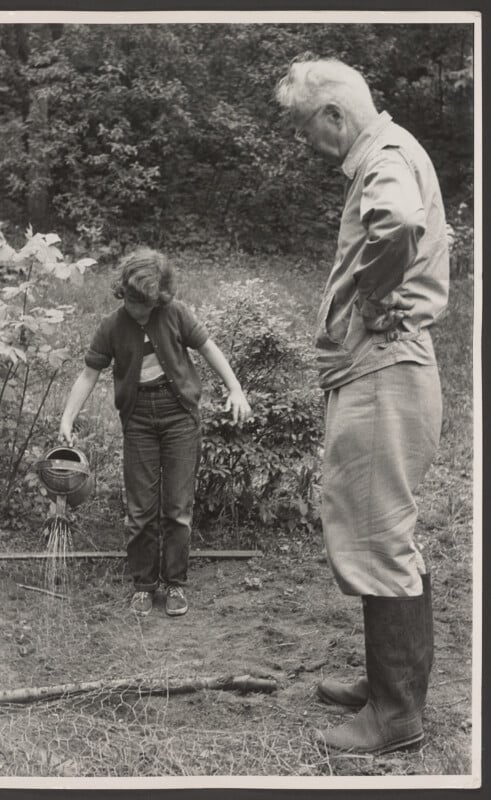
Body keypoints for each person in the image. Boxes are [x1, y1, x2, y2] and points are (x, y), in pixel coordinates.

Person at [275, 57, 449, 754]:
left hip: (382, 368)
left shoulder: (381, 155)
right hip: (384, 367)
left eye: (302, 128)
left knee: (377, 538)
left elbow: (399, 223)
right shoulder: (396, 147)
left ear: (332, 117)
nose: (303, 143)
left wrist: (373, 298)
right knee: (384, 531)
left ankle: (395, 717)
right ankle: (387, 687)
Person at [59, 248, 251, 618]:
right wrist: (68, 418)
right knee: (140, 510)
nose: (138, 310)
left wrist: (235, 388)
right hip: (138, 421)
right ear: (123, 294)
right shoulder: (112, 327)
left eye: (146, 304)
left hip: (179, 416)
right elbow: (88, 374)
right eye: (132, 302)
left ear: (160, 297)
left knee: (178, 508)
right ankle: (143, 585)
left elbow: (208, 347)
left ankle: (174, 584)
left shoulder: (175, 314)